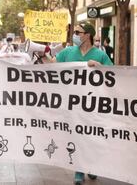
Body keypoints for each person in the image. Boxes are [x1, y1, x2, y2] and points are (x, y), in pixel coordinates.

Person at [55, 22, 112, 185]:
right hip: (72, 103)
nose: (75, 35)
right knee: (78, 136)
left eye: (78, 32)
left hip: (93, 104)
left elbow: (112, 75)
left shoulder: (100, 55)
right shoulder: (67, 52)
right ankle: (79, 170)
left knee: (91, 136)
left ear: (87, 35)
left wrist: (99, 67)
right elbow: (51, 66)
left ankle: (92, 166)